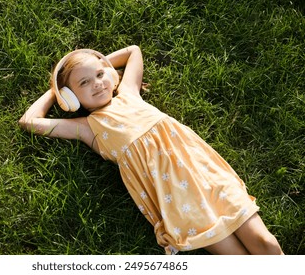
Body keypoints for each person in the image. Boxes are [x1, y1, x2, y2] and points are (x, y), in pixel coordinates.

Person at [19, 45, 284, 255]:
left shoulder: (129, 93)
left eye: (100, 75)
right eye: (84, 84)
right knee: (238, 260)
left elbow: (133, 50)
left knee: (266, 244)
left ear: (111, 76)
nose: (97, 84)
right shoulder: (88, 127)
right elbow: (29, 122)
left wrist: (100, 66)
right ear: (71, 98)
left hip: (207, 176)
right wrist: (56, 92)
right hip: (180, 201)